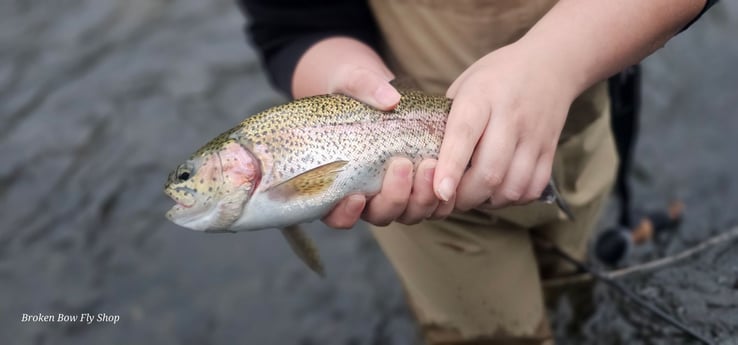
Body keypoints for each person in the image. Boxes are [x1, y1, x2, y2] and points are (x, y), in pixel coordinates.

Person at [238, 1, 716, 344]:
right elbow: (293, 22)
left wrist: (558, 62)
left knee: (571, 285)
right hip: (421, 192)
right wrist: (345, 82)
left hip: (581, 134)